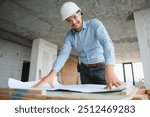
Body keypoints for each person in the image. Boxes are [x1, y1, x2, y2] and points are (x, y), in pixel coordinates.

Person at [33, 1, 122, 89]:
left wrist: (109, 69)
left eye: (75, 17)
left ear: (80, 13)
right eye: (69, 20)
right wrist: (51, 74)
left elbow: (106, 43)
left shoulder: (94, 24)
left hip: (102, 69)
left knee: (107, 96)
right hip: (84, 71)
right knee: (88, 98)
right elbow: (64, 54)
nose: (74, 22)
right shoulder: (69, 36)